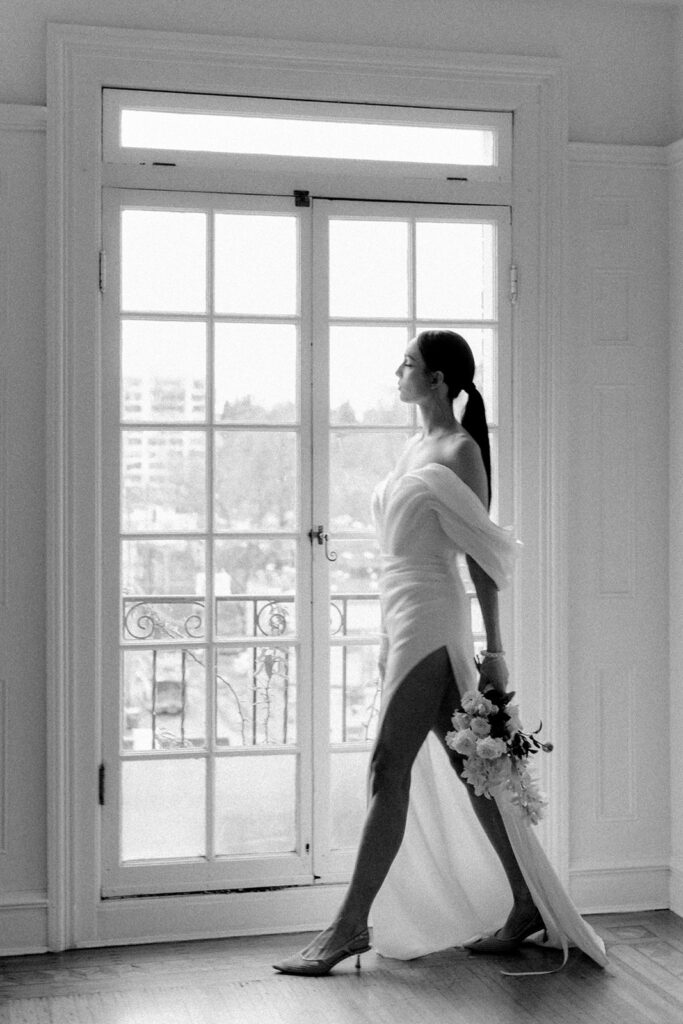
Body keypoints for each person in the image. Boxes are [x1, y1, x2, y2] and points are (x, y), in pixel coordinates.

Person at [273, 330, 607, 976]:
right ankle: (525, 900)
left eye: (408, 364)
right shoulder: (413, 448)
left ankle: (347, 927)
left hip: (432, 615)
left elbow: (482, 559)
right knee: (472, 770)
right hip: (399, 613)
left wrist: (495, 651)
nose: (397, 371)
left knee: (384, 764)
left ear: (437, 382)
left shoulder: (460, 452)